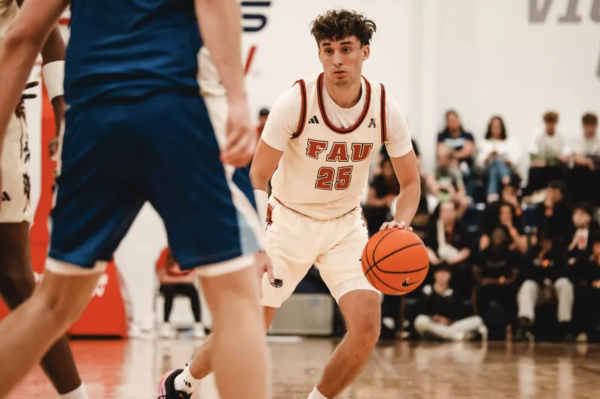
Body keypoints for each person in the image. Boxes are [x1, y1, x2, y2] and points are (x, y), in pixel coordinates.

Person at [0, 0, 270, 399]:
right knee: (235, 299)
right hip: (179, 106)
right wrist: (238, 98)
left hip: (93, 121)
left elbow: (22, 36)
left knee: (51, 305)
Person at [171, 10, 421, 399]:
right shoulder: (296, 101)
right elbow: (257, 176)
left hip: (345, 226)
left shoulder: (385, 107)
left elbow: (410, 185)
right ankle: (184, 382)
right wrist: (258, 240)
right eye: (328, 50)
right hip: (289, 221)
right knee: (252, 324)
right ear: (319, 54)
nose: (337, 59)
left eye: (346, 49)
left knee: (368, 327)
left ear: (365, 52)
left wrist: (400, 223)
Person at [0, 2, 88, 399]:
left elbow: (45, 31)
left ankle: (75, 394)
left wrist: (65, 115)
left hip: (6, 124)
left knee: (14, 274)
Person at [516, 234, 574, 341]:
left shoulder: (559, 253)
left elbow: (563, 272)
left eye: (548, 241)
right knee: (527, 286)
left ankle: (565, 326)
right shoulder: (532, 253)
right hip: (540, 290)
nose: (545, 244)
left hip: (555, 289)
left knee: (565, 284)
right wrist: (540, 260)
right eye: (543, 241)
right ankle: (524, 324)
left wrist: (548, 274)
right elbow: (526, 274)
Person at [414, 264, 487, 341]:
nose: (442, 276)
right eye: (440, 273)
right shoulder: (427, 291)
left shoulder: (454, 293)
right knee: (420, 320)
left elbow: (458, 313)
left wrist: (448, 320)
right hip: (432, 323)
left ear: (450, 276)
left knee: (477, 320)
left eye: (445, 273)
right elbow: (421, 310)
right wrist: (435, 318)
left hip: (449, 325)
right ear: (435, 275)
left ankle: (446, 336)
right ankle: (456, 336)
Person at [156, 247, 205, 339]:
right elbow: (162, 278)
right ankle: (165, 325)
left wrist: (173, 279)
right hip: (168, 286)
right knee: (169, 291)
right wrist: (182, 279)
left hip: (183, 285)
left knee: (193, 291)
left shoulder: (190, 252)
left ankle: (198, 325)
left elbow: (191, 279)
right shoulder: (165, 253)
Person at [476, 116, 520, 202]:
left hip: (507, 167)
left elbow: (515, 160)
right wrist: (489, 157)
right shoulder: (483, 143)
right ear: (490, 128)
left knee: (495, 167)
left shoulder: (510, 142)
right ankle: (506, 179)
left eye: (498, 126)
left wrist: (505, 160)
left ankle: (492, 195)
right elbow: (479, 163)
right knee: (494, 162)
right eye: (494, 126)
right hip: (487, 169)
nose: (496, 128)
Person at [526, 111, 570, 194]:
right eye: (548, 123)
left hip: (556, 166)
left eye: (552, 123)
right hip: (543, 166)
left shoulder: (561, 138)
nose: (550, 126)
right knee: (534, 171)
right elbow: (533, 158)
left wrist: (559, 158)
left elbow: (566, 157)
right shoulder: (539, 138)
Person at [426, 145, 470, 217]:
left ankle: (454, 221)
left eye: (441, 158)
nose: (438, 160)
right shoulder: (435, 169)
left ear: (449, 160)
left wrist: (455, 196)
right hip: (439, 197)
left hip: (452, 197)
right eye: (438, 157)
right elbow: (433, 187)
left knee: (465, 202)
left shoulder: (454, 170)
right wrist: (447, 188)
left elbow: (462, 190)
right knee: (447, 207)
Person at [570, 113, 600, 205]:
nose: (590, 129)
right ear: (583, 126)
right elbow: (576, 157)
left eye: (592, 126)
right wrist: (588, 162)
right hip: (583, 169)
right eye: (588, 126)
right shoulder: (578, 139)